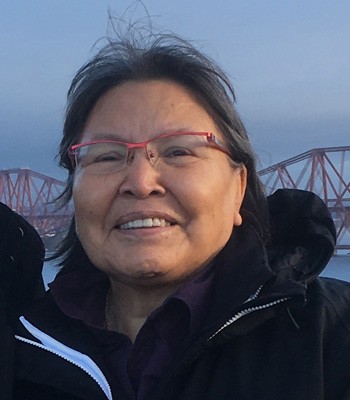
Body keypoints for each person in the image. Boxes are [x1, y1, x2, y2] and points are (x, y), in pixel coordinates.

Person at [1, 27, 350, 400]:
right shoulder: (17, 348)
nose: (140, 181)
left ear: (239, 189)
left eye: (179, 151)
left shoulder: (333, 338)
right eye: (107, 155)